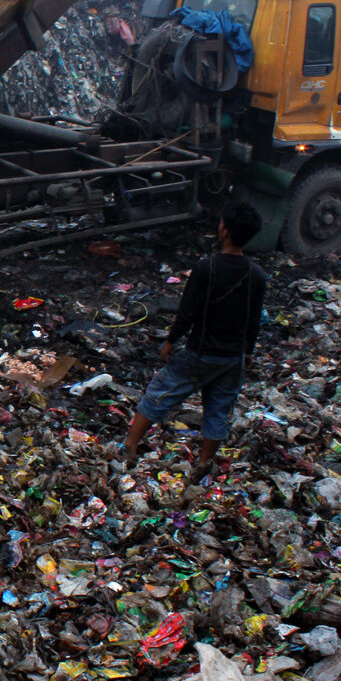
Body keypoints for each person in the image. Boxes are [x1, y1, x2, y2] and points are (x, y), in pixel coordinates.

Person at [120, 204, 268, 479]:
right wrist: (247, 352)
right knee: (219, 410)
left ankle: (129, 446)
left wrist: (170, 341)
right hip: (232, 359)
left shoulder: (206, 268)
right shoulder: (257, 275)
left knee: (159, 393)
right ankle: (203, 463)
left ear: (224, 229)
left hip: (200, 353)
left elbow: (188, 311)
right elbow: (254, 321)